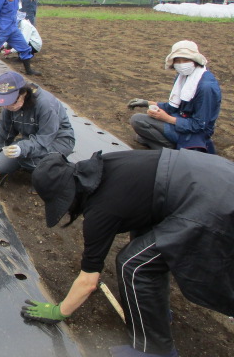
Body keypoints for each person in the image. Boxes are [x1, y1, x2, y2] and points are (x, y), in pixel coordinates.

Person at [26, 148, 234, 357]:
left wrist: (59, 311)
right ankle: (155, 316)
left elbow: (89, 281)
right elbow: (146, 211)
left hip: (209, 204)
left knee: (133, 264)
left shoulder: (100, 211)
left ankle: (156, 350)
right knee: (147, 254)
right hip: (215, 175)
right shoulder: (105, 166)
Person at [127, 40, 221, 153]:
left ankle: (173, 151)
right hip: (182, 119)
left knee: (138, 120)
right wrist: (147, 103)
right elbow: (174, 107)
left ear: (195, 60)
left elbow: (199, 126)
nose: (181, 64)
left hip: (195, 133)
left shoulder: (206, 87)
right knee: (142, 126)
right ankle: (166, 144)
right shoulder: (183, 77)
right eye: (178, 61)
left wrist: (166, 118)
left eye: (186, 60)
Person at [0, 71, 74, 184]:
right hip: (31, 140)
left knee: (40, 165)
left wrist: (22, 148)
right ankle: (31, 163)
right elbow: (3, 132)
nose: (7, 106)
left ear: (23, 93)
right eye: (4, 102)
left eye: (12, 101)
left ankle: (58, 168)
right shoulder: (9, 107)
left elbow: (45, 139)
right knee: (1, 165)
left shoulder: (45, 105)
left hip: (57, 140)